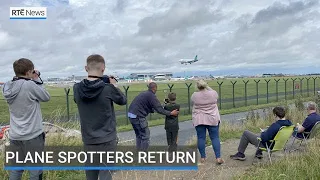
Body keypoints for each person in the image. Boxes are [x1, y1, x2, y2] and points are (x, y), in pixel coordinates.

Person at [73, 54, 127, 180]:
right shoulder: (108, 89)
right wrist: (114, 85)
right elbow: (123, 100)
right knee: (106, 174)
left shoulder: (77, 88)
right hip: (107, 138)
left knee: (91, 175)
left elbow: (79, 97)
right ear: (103, 68)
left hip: (88, 139)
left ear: (86, 68)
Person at [2, 58, 50, 180]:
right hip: (32, 135)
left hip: (15, 135)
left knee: (16, 169)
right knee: (35, 170)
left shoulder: (8, 86)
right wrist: (37, 78)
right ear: (29, 71)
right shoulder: (29, 85)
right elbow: (45, 97)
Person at [128, 82, 179, 151]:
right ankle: (143, 156)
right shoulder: (151, 96)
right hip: (138, 116)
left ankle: (138, 153)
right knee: (145, 136)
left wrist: (160, 106)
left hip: (131, 115)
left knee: (139, 135)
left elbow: (153, 107)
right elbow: (159, 109)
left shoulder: (145, 93)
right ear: (155, 88)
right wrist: (170, 113)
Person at [191, 80, 224, 165]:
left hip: (199, 119)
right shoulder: (213, 93)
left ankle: (203, 157)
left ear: (198, 86)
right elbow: (215, 95)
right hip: (212, 118)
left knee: (201, 138)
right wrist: (207, 87)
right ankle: (218, 157)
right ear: (205, 85)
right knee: (215, 138)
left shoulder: (194, 95)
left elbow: (193, 102)